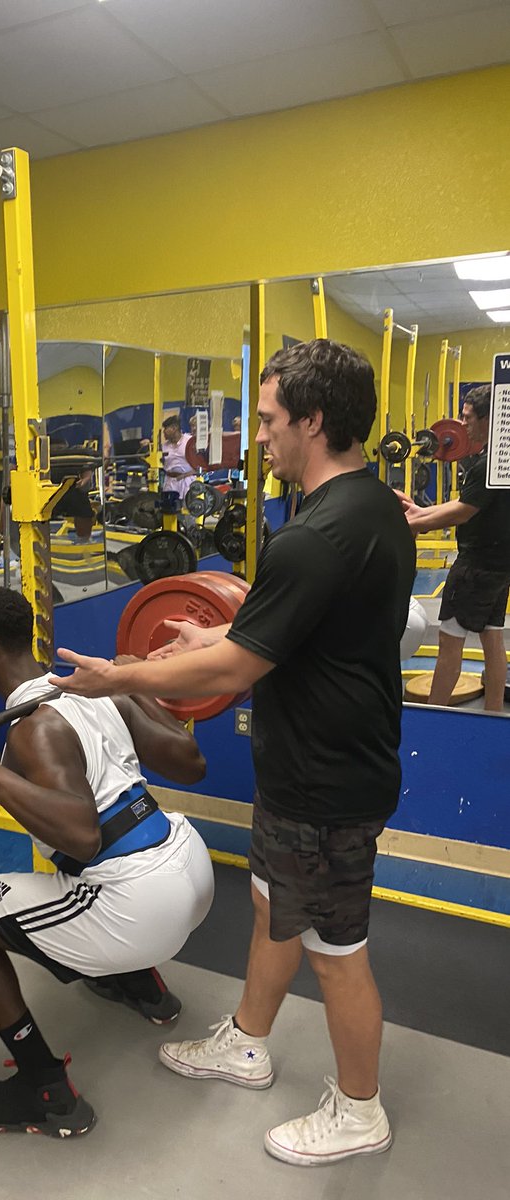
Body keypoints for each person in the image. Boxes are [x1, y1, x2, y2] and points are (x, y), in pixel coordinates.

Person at [51, 339, 416, 1167]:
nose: (259, 437)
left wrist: (120, 678)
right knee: (269, 906)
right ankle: (248, 1040)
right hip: (319, 772)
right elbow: (295, 622)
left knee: (337, 955)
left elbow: (239, 665)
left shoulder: (314, 536)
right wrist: (223, 626)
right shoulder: (373, 509)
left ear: (313, 421)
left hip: (326, 786)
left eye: (269, 419)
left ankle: (360, 1111)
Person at [0, 586, 215, 1137]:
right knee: (77, 868)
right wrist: (130, 685)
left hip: (139, 906)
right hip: (189, 865)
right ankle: (142, 987)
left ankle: (43, 1088)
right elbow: (191, 763)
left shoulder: (35, 725)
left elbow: (80, 833)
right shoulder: (98, 692)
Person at [399, 385, 510, 711]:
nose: (463, 426)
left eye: (468, 418)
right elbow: (467, 502)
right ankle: (493, 715)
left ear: (489, 420)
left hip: (475, 567)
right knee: (492, 637)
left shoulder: (485, 465)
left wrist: (413, 524)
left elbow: (464, 511)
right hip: (501, 564)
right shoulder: (500, 459)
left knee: (449, 642)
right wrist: (421, 513)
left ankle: (434, 716)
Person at [160, 414, 196, 500]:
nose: (164, 432)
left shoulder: (190, 441)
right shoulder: (164, 446)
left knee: (188, 510)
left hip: (187, 481)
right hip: (170, 482)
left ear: (174, 428)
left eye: (166, 429)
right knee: (169, 510)